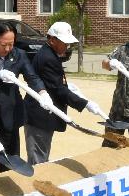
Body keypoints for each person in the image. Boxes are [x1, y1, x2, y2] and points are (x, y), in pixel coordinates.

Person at [0, 22, 51, 178]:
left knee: (9, 162)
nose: (7, 49)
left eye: (11, 44)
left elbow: (31, 77)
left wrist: (42, 92)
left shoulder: (19, 54)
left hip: (10, 114)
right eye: (3, 44)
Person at [24, 22, 97, 164]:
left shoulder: (50, 54)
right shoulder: (48, 58)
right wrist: (84, 103)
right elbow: (59, 90)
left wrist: (68, 86)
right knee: (38, 160)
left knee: (42, 155)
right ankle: (36, 185)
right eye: (65, 42)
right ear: (52, 40)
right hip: (40, 116)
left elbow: (56, 85)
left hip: (44, 115)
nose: (67, 46)